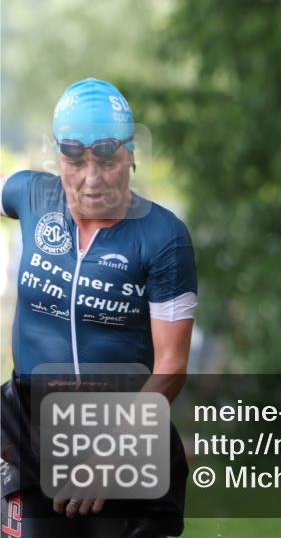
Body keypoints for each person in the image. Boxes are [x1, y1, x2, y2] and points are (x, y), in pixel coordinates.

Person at [0, 78, 198, 538]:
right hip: (26, 426)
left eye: (106, 160)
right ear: (58, 156)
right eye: (75, 160)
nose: (90, 179)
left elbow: (171, 367)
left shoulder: (163, 237)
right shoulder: (32, 195)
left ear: (130, 155)